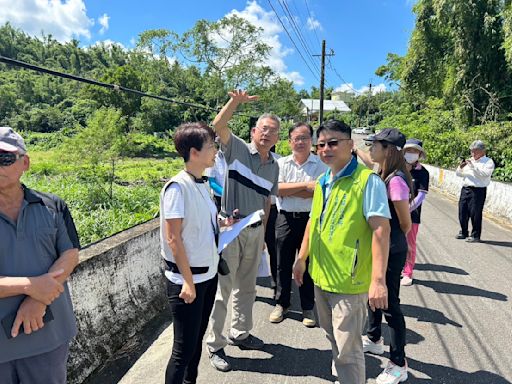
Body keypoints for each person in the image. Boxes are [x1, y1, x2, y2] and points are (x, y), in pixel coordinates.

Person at [293, 120, 391, 383]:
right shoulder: (323, 181)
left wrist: (378, 281)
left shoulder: (367, 181)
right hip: (321, 276)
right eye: (321, 144)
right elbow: (314, 222)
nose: (326, 149)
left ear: (351, 145)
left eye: (333, 143)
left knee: (349, 350)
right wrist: (301, 259)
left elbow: (381, 230)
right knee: (333, 338)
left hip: (350, 282)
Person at [206, 91, 279, 372]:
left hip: (255, 230)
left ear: (276, 138)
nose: (268, 134)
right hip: (231, 229)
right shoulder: (235, 148)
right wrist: (235, 102)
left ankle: (241, 333)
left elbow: (267, 200)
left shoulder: (274, 165)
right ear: (253, 131)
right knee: (223, 291)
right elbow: (218, 126)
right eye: (264, 129)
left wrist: (262, 235)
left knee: (246, 288)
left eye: (273, 132)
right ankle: (216, 344)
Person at [0, 127, 80, 384]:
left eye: (4, 158)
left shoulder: (52, 205)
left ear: (25, 162)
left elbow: (69, 254)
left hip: (48, 336)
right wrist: (33, 287)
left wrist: (40, 299)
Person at [159, 122, 236, 384]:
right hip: (187, 282)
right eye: (211, 146)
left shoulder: (203, 183)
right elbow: (174, 239)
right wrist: (189, 282)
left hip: (207, 276)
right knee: (182, 350)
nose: (215, 151)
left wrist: (224, 224)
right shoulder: (177, 188)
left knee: (195, 343)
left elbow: (201, 225)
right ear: (194, 152)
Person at [362, 128, 412, 384]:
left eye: (375, 145)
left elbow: (405, 222)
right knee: (374, 296)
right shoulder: (382, 172)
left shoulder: (395, 180)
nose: (371, 149)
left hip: (391, 247)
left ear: (388, 150)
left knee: (390, 304)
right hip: (381, 244)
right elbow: (367, 159)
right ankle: (373, 338)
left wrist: (394, 245)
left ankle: (398, 362)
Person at [269, 122, 327, 327]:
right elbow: (277, 189)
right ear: (289, 141)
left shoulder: (321, 165)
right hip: (284, 218)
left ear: (311, 140)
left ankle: (307, 308)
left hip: (309, 220)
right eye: (297, 138)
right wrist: (305, 187)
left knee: (308, 264)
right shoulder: (281, 163)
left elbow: (319, 191)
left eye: (304, 137)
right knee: (281, 263)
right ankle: (281, 303)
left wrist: (291, 189)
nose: (300, 142)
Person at [401, 139, 430, 286]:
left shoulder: (423, 173)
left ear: (419, 154)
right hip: (393, 213)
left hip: (412, 215)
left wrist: (407, 209)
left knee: (409, 243)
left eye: (415, 151)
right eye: (409, 151)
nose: (411, 154)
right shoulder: (398, 168)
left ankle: (408, 272)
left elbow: (421, 196)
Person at [455, 140, 495, 243]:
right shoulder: (470, 161)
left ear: (482, 151)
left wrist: (473, 167)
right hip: (466, 188)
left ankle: (475, 235)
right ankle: (464, 232)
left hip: (478, 190)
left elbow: (484, 174)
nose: (473, 153)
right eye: (472, 151)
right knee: (462, 211)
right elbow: (459, 174)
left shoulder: (488, 162)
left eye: (475, 151)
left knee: (475, 213)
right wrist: (461, 167)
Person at [205, 147, 226, 211]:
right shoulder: (213, 159)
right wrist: (226, 194)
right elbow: (212, 183)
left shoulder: (235, 157)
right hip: (219, 199)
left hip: (235, 199)